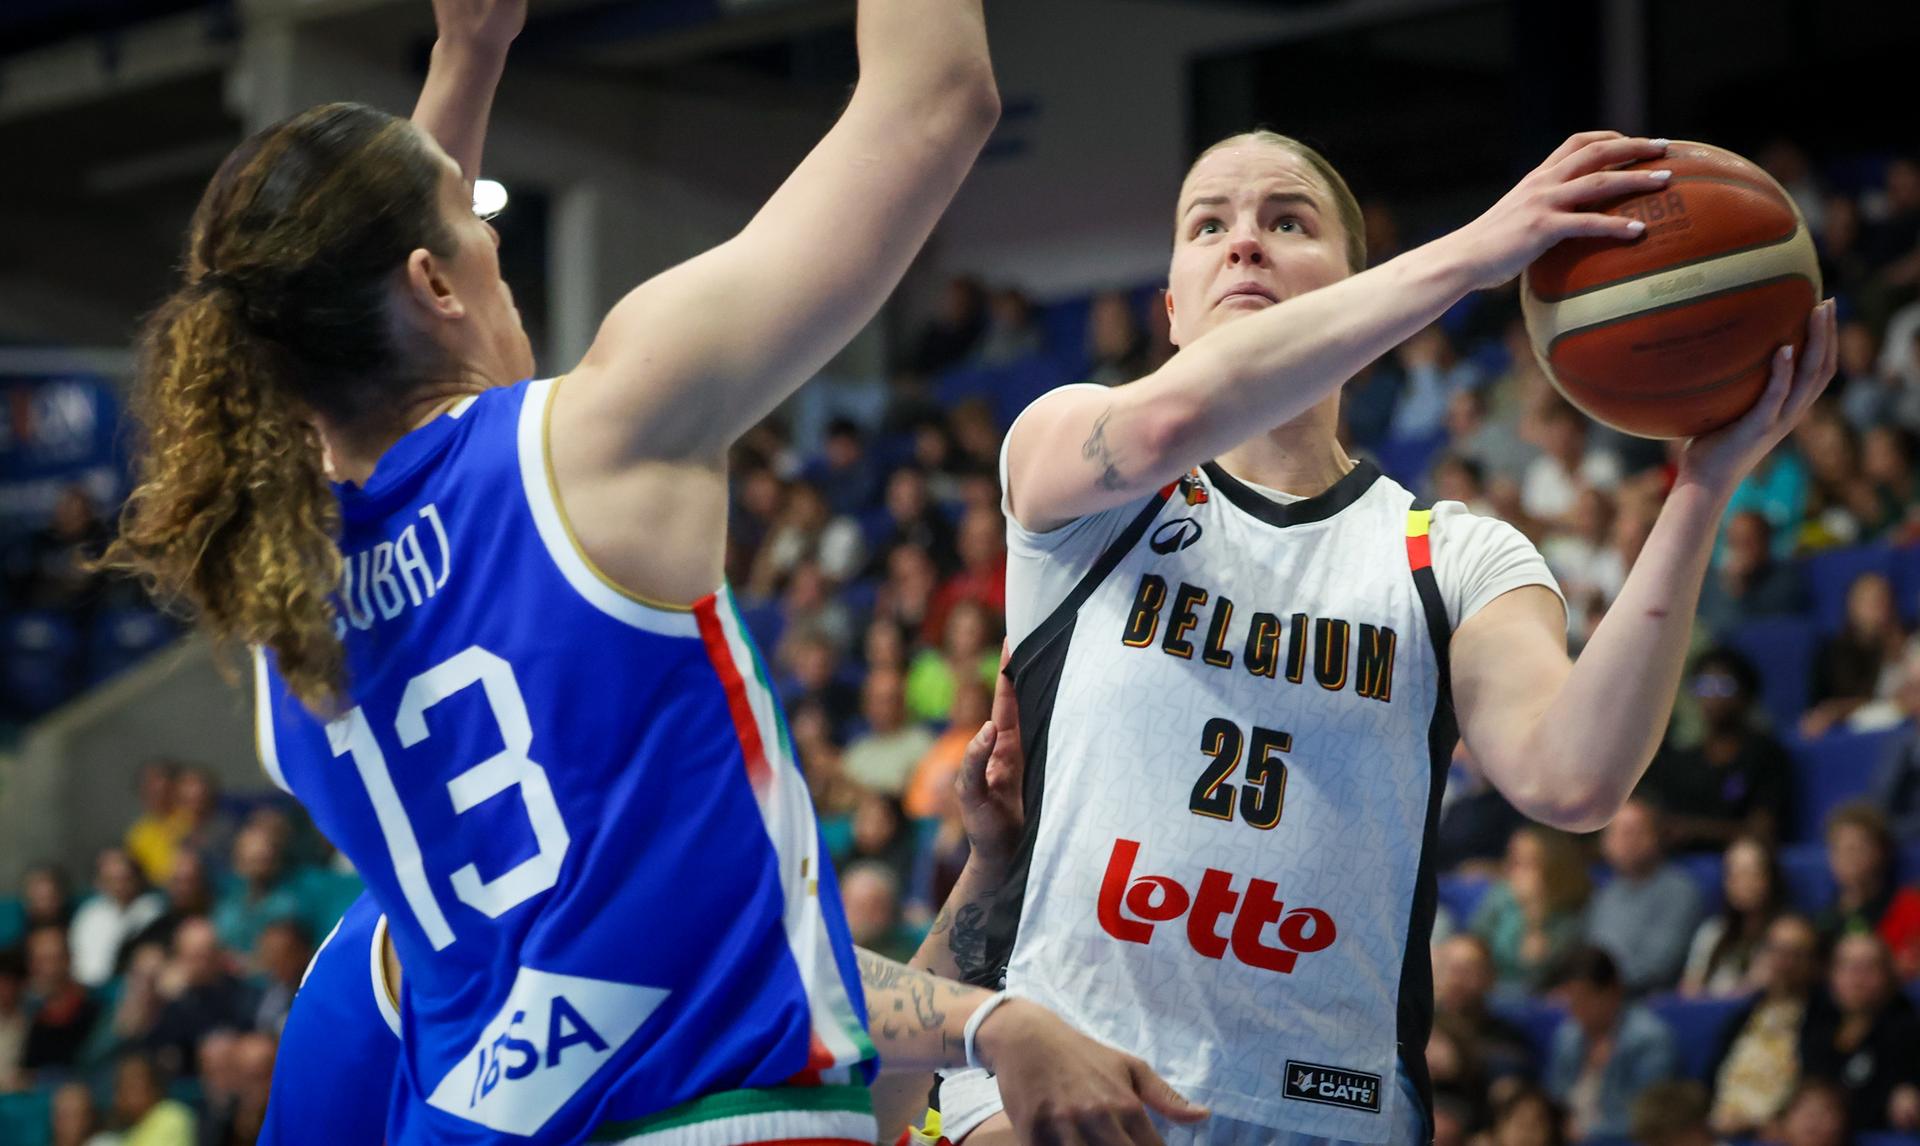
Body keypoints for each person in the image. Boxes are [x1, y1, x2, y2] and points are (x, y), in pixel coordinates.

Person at [101, 0, 1190, 1141]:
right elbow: (933, 102)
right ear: (432, 284)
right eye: (480, 234)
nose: (497, 258)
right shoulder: (594, 440)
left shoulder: (286, 611)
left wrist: (468, 56)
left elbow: (352, 324)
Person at [914, 123, 1837, 1145]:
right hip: (1068, 1079)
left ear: (1356, 288)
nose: (1245, 242)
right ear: (1172, 310)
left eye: (1288, 220)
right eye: (1208, 223)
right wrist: (1474, 252)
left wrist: (1700, 488)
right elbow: (1171, 426)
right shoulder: (1071, 459)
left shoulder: (1454, 557)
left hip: (1329, 1106)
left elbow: (1575, 781)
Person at [1543, 946, 1677, 1140]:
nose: (1576, 1006)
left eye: (1584, 997)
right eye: (1570, 997)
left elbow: (1648, 1118)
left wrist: (1587, 1134)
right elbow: (1554, 1100)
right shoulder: (1567, 1036)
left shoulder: (1650, 1039)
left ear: (1613, 991)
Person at [1707, 913, 1822, 1137]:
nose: (1783, 962)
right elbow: (1709, 1080)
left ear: (1814, 963)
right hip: (1720, 1126)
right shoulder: (1743, 1015)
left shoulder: (1823, 1020)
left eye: (1795, 953)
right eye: (1776, 950)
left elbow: (1816, 1088)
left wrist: (1762, 1123)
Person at [1798, 932, 1920, 1133]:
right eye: (1846, 965)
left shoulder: (1907, 1030)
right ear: (1831, 975)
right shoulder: (1816, 1019)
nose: (1856, 976)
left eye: (1869, 966)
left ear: (1888, 975)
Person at [1679, 835, 1785, 998]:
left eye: (1751, 873)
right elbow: (1689, 995)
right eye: (1734, 874)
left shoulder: (1783, 935)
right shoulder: (1712, 932)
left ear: (1770, 877)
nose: (1743, 882)